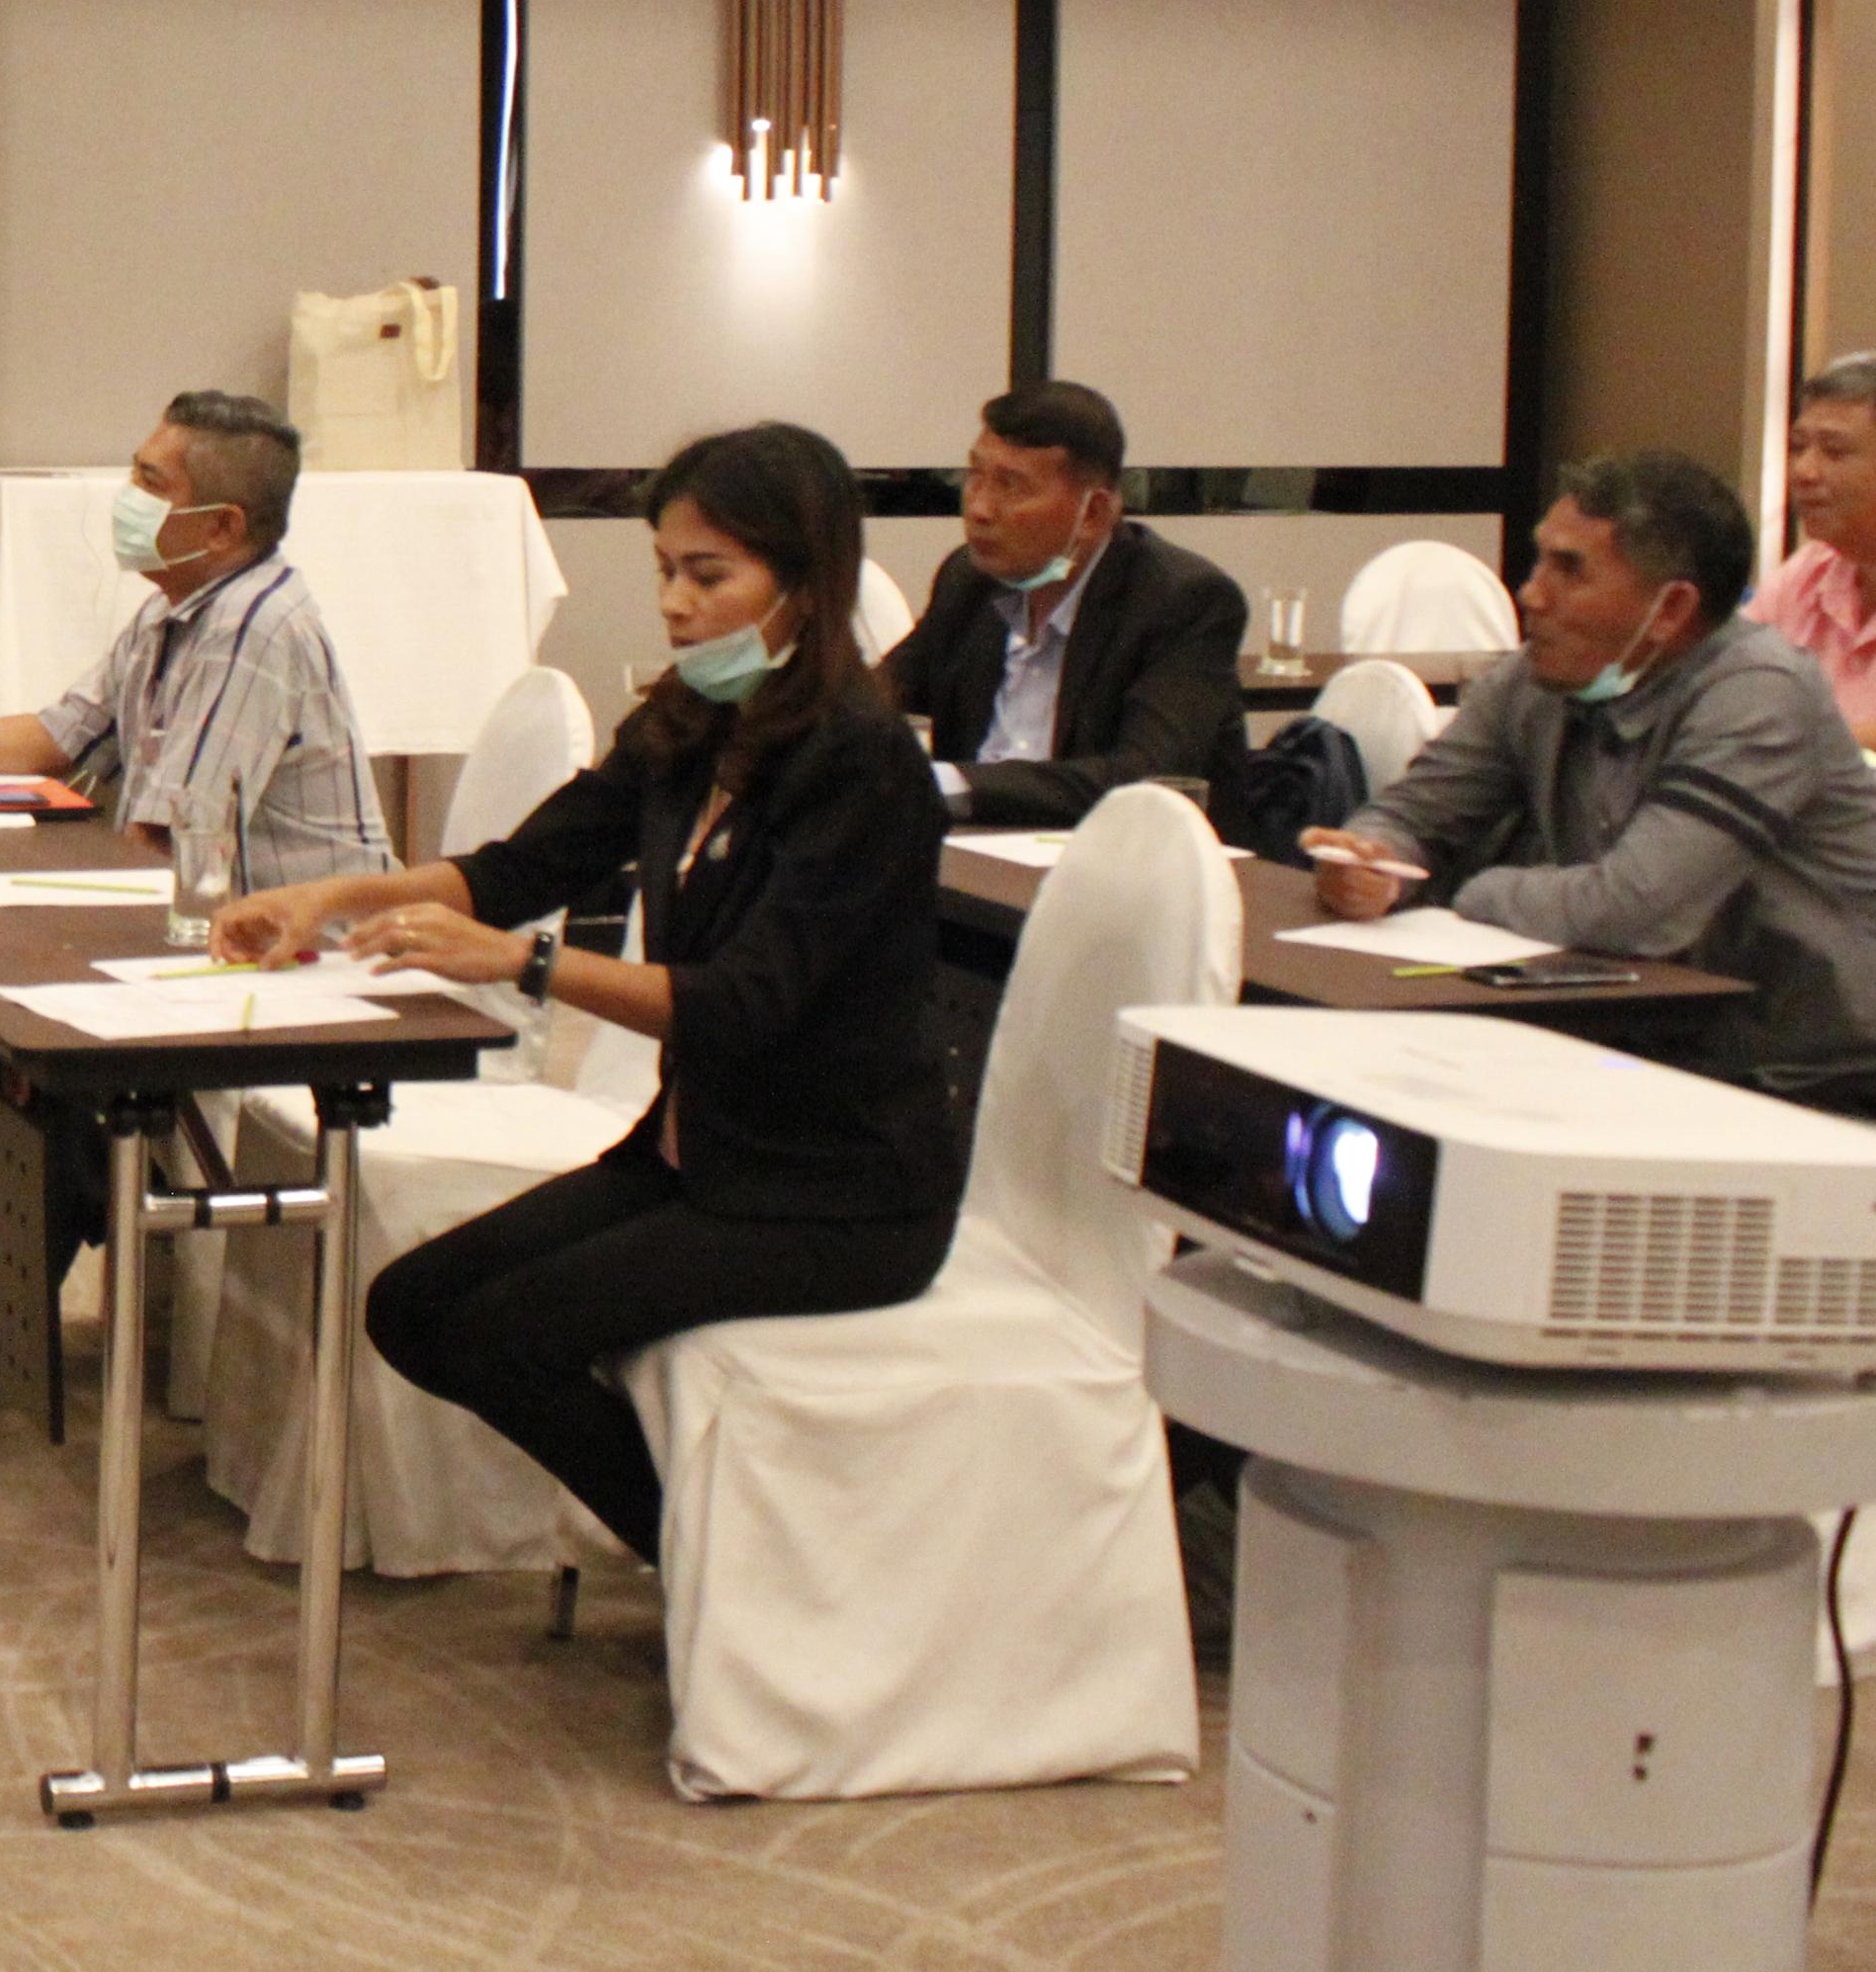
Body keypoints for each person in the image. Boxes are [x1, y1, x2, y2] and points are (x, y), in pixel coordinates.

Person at [205, 422, 958, 1568]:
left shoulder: (862, 764)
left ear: (805, 586)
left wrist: (525, 965)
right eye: (665, 570)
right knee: (413, 1310)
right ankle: (716, 1554)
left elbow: (743, 1005)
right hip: (694, 1158)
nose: (675, 603)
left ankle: (731, 1572)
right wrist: (336, 898)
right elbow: (523, 868)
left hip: (830, 1193)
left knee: (499, 1335)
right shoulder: (690, 724)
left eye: (709, 575)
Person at [0, 389, 389, 1487]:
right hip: (201, 934)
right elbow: (58, 738)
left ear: (222, 526)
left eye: (152, 482)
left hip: (298, 965)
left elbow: (159, 843)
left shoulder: (254, 632)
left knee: (48, 1078)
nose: (126, 497)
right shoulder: (173, 612)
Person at [1310, 451, 1876, 1112]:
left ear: (1670, 609)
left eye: (1569, 569)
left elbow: (1633, 911)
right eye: (1540, 561)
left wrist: (1468, 889)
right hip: (1652, 1042)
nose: (1531, 593)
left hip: (1811, 1074)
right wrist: (1374, 864)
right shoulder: (1535, 679)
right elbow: (1412, 814)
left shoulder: (1758, 694)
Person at [877, 380, 1248, 826]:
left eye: (1011, 485)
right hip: (973, 850)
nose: (979, 509)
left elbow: (1144, 780)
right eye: (975, 476)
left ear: (1093, 513)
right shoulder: (970, 580)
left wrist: (948, 783)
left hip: (1115, 855)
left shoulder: (1184, 600)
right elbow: (874, 703)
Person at [1754, 354, 1876, 749]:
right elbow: (1725, 690)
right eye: (1798, 447)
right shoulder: (1808, 573)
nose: (1803, 471)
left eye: (1834, 452)